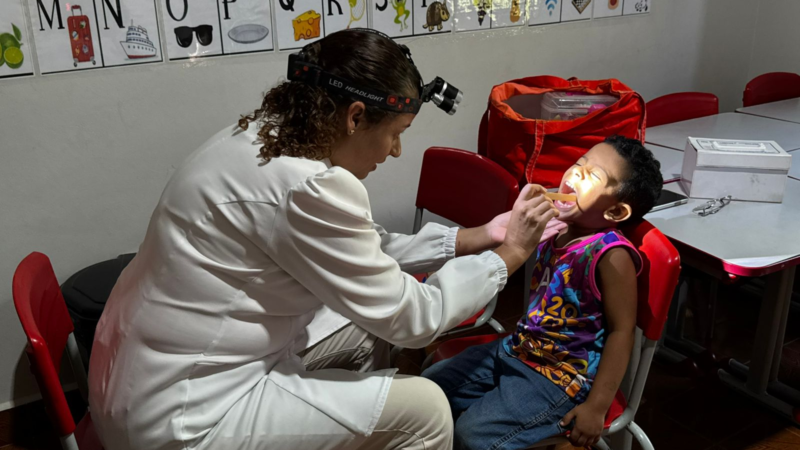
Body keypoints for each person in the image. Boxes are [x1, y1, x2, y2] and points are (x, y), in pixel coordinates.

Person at [88, 29, 561, 450]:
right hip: (183, 416)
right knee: (427, 411)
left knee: (362, 326)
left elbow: (360, 252)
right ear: (355, 117)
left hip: (136, 378)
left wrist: (480, 236)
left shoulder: (255, 137)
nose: (396, 151)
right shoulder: (308, 186)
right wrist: (511, 254)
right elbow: (415, 319)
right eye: (397, 134)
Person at [423, 136, 663, 450]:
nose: (575, 175)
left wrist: (597, 406)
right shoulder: (557, 227)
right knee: (427, 392)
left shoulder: (610, 255)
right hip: (518, 348)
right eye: (579, 165)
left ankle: (559, 444)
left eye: (592, 176)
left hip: (559, 377)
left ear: (616, 212)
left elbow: (622, 332)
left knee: (471, 436)